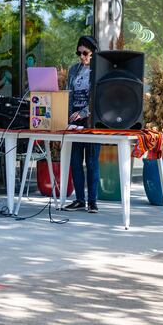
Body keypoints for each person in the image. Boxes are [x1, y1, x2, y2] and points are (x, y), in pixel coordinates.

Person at [63, 35, 101, 213]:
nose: (82, 57)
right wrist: (66, 114)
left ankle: (93, 201)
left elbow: (99, 98)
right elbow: (68, 93)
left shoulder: (100, 70)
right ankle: (79, 199)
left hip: (90, 120)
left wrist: (83, 113)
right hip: (73, 120)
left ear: (93, 52)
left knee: (92, 161)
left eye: (85, 53)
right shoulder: (73, 70)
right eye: (79, 53)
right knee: (75, 160)